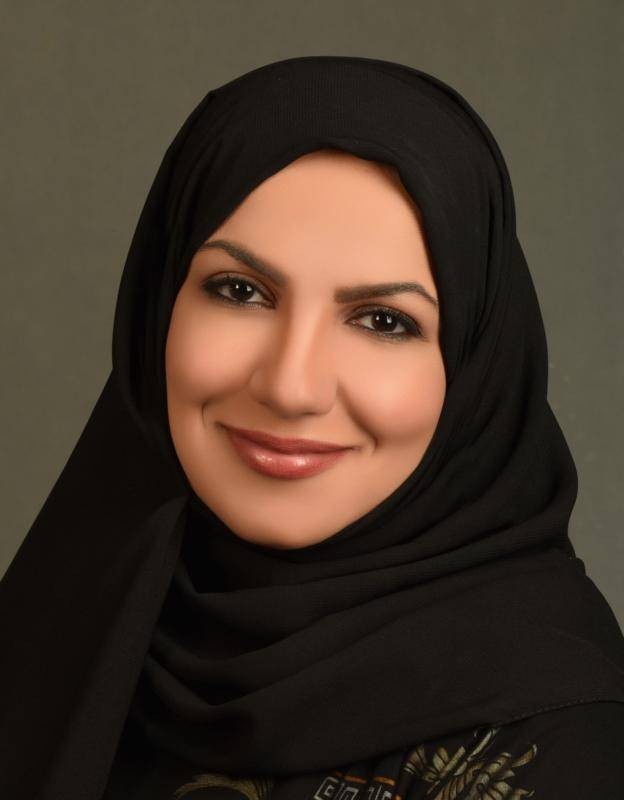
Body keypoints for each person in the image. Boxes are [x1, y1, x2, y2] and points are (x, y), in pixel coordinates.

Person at [1, 55, 623, 800]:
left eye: (382, 321)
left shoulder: (564, 740)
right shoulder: (66, 621)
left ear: (476, 366)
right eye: (240, 290)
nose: (290, 387)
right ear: (157, 307)